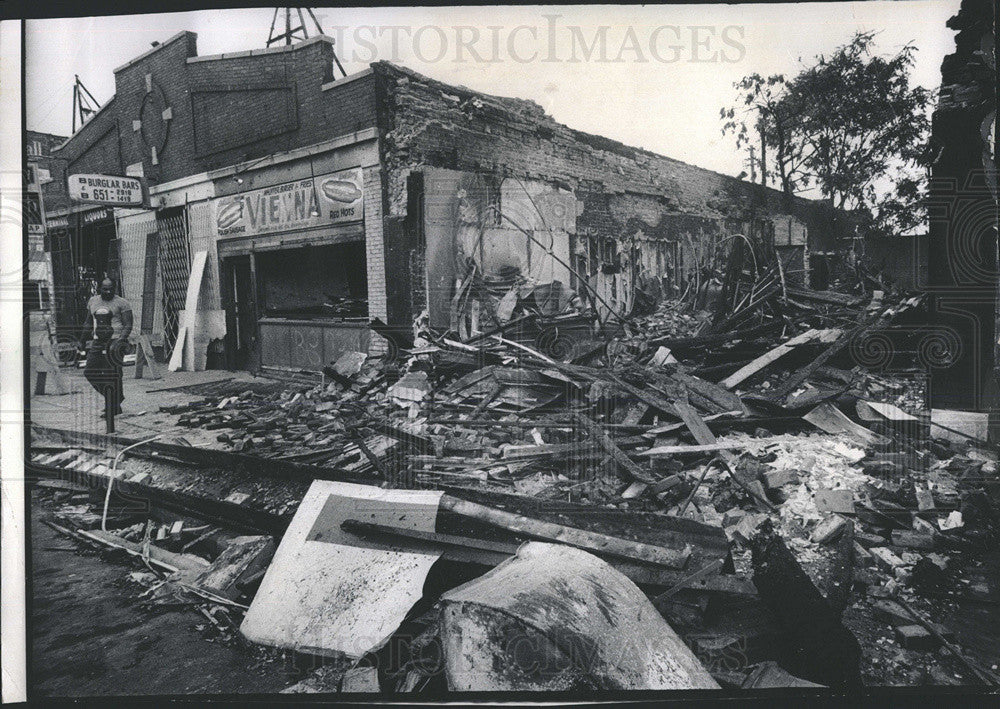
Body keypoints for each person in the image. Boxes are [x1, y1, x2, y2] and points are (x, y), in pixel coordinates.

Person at [80, 279, 133, 418]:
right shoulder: (93, 301)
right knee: (90, 372)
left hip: (115, 340)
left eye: (110, 289)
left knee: (113, 374)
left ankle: (113, 405)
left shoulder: (122, 303)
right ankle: (114, 399)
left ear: (114, 288)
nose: (108, 292)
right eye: (105, 289)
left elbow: (128, 324)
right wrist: (82, 340)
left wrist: (120, 341)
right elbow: (88, 322)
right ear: (100, 288)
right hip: (98, 341)